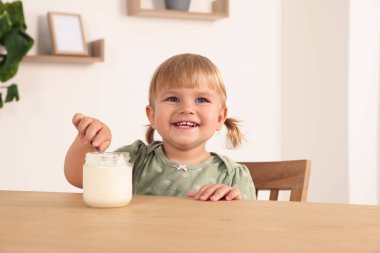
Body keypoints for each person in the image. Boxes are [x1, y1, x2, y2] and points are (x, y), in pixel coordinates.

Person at [64, 53, 256, 201]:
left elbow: (249, 230)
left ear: (220, 117)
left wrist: (232, 202)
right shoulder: (135, 160)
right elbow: (78, 178)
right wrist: (87, 139)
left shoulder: (233, 176)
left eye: (201, 99)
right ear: (153, 115)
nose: (187, 108)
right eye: (173, 99)